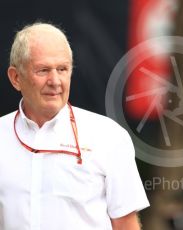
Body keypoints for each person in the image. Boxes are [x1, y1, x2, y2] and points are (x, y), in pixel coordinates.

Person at [0, 22, 149, 230]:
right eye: (43, 70)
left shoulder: (109, 136)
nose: (55, 81)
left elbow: (126, 225)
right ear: (16, 78)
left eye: (62, 69)